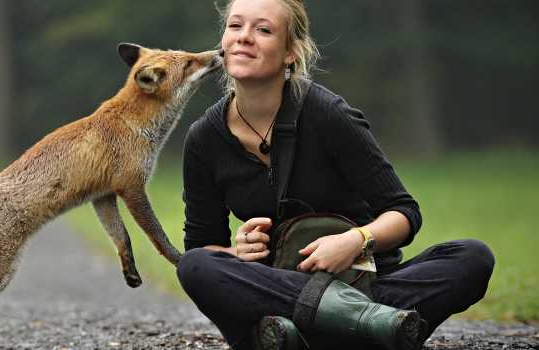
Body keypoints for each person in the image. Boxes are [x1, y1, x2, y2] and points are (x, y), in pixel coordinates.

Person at [176, 0, 495, 349]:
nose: (244, 38)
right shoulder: (204, 139)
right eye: (235, 26)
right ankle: (368, 326)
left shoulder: (329, 115)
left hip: (363, 283)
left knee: (472, 258)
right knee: (196, 266)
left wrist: (355, 241)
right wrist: (237, 254)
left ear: (291, 52)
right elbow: (201, 246)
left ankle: (301, 336)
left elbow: (404, 212)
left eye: (263, 29)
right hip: (274, 289)